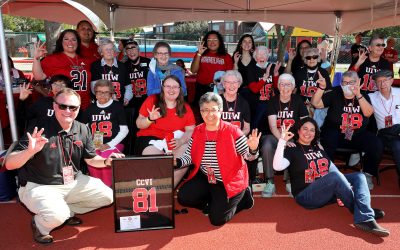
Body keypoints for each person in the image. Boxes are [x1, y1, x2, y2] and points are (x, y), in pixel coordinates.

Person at [4, 88, 124, 244]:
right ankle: (40, 225)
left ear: (79, 109)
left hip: (72, 181)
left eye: (73, 107)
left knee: (108, 196)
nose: (68, 111)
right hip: (39, 185)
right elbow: (9, 164)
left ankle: (67, 212)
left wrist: (107, 161)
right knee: (56, 215)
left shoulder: (82, 128)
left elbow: (91, 158)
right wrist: (29, 151)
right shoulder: (38, 128)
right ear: (54, 106)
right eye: (63, 106)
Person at [273, 117, 389, 237]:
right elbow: (277, 167)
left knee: (359, 176)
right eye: (305, 129)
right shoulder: (292, 149)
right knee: (334, 177)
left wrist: (344, 187)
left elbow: (332, 168)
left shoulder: (318, 148)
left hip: (326, 191)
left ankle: (363, 212)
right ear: (298, 131)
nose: (308, 133)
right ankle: (364, 216)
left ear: (315, 133)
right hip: (306, 196)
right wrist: (282, 141)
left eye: (312, 130)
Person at [176, 92, 261, 226]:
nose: (209, 114)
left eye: (213, 110)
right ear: (201, 112)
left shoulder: (233, 131)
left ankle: (244, 198)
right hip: (206, 177)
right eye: (205, 110)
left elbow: (249, 157)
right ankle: (213, 203)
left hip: (228, 180)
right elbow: (190, 155)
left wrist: (253, 149)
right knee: (184, 197)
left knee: (217, 220)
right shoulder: (198, 130)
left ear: (220, 111)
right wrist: (178, 162)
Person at [311, 70, 383, 190]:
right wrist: (321, 88)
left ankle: (367, 174)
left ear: (358, 82)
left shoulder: (363, 95)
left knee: (376, 144)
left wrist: (358, 95)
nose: (347, 85)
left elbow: (368, 113)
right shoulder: (335, 92)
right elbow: (316, 103)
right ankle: (326, 173)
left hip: (357, 133)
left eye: (351, 82)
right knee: (328, 138)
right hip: (335, 131)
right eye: (344, 82)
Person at [261, 73, 309, 198]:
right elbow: (272, 126)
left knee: (294, 145)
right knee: (266, 145)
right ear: (278, 86)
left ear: (293, 87)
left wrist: (299, 139)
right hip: (275, 136)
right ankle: (269, 181)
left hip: (293, 136)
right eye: (282, 84)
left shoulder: (298, 100)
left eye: (288, 84)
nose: (285, 87)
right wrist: (283, 140)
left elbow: (305, 123)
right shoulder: (272, 102)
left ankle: (289, 181)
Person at [135, 75, 195, 158]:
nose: (171, 90)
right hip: (150, 139)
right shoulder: (152, 100)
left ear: (180, 89)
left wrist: (181, 141)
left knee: (184, 158)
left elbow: (191, 130)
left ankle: (172, 171)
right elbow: (139, 124)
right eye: (168, 86)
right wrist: (149, 119)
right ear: (162, 88)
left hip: (175, 141)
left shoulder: (186, 107)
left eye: (175, 87)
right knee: (160, 163)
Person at [82, 80, 128, 187]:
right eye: (99, 92)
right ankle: (98, 189)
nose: (102, 94)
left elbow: (124, 130)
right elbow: (83, 128)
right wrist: (90, 143)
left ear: (111, 93)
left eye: (106, 92)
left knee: (107, 159)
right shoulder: (90, 109)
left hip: (114, 144)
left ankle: (109, 189)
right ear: (95, 93)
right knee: (93, 158)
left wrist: (109, 145)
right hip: (95, 144)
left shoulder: (117, 107)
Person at [32, 29, 92, 110]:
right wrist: (36, 58)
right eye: (66, 39)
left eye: (73, 39)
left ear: (78, 42)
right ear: (61, 42)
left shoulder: (86, 60)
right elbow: (38, 77)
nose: (70, 42)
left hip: (84, 106)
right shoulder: (52, 59)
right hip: (62, 106)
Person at [219, 70, 256, 183]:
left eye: (234, 82)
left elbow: (247, 128)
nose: (231, 85)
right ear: (223, 84)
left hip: (238, 138)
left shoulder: (244, 103)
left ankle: (247, 180)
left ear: (239, 84)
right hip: (219, 138)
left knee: (251, 148)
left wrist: (236, 137)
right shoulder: (216, 101)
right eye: (228, 82)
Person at [368, 70, 400, 188]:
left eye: (385, 80)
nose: (382, 84)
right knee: (397, 146)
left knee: (397, 146)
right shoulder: (371, 97)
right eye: (379, 81)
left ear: (392, 80)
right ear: (375, 84)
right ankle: (367, 173)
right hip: (384, 133)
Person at [191, 30, 233, 105]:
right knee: (202, 114)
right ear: (206, 42)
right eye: (209, 40)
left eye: (215, 40)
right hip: (202, 89)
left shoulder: (227, 57)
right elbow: (193, 70)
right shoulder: (200, 54)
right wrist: (199, 54)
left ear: (220, 42)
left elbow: (229, 76)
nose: (212, 42)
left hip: (219, 90)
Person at [247, 46, 281, 134]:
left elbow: (278, 87)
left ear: (267, 56)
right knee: (256, 124)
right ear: (255, 57)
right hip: (258, 102)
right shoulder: (251, 69)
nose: (262, 57)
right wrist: (264, 78)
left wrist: (276, 74)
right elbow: (254, 89)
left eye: (264, 54)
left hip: (272, 102)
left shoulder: (273, 67)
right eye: (259, 54)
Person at [90, 38, 132, 105]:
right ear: (101, 52)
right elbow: (94, 88)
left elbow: (128, 86)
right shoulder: (95, 66)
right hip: (102, 104)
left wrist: (126, 99)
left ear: (114, 51)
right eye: (106, 49)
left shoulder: (122, 66)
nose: (109, 51)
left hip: (119, 104)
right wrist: (109, 99)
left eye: (111, 49)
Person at [293, 48, 331, 117]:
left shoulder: (323, 72)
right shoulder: (299, 72)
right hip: (301, 106)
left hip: (318, 108)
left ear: (318, 58)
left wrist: (316, 104)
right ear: (305, 60)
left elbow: (328, 91)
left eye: (314, 57)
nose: (311, 60)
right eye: (308, 57)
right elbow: (294, 91)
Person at [123, 39, 151, 111]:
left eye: (133, 48)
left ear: (139, 51)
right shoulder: (123, 66)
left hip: (147, 101)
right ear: (126, 52)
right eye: (128, 49)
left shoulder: (149, 63)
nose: (131, 51)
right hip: (131, 103)